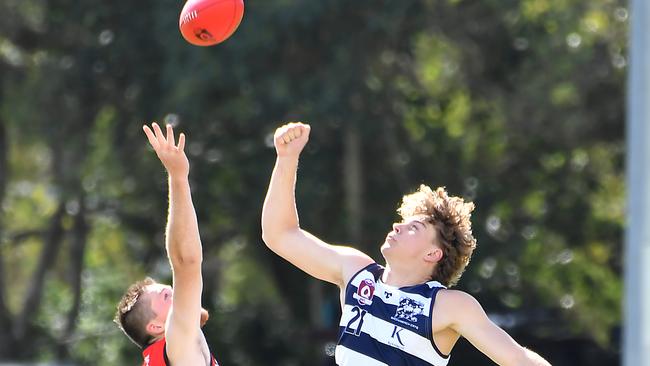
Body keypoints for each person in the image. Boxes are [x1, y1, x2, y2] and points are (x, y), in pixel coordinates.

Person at [261, 122, 552, 366]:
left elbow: (519, 360)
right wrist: (287, 159)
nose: (397, 226)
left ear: (432, 253)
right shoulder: (356, 272)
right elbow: (279, 235)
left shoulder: (448, 306)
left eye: (414, 227)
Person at [115, 123, 218, 366]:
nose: (178, 293)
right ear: (156, 326)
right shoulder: (178, 342)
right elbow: (186, 263)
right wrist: (178, 176)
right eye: (166, 296)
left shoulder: (169, 353)